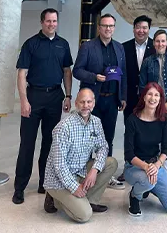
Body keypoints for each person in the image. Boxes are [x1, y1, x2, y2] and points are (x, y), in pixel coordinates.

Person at [13, 8, 73, 205]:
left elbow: (67, 71)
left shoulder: (63, 45)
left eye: (54, 21)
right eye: (48, 21)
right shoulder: (31, 44)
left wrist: (68, 96)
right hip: (34, 96)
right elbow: (22, 74)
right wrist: (24, 101)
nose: (51, 24)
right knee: (27, 144)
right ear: (42, 22)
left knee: (49, 143)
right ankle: (19, 188)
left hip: (55, 96)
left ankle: (43, 182)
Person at [43, 88, 118, 223]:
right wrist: (74, 187)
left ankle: (90, 200)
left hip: (81, 170)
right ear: (76, 104)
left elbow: (103, 147)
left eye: (89, 102)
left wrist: (94, 170)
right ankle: (55, 199)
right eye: (82, 102)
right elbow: (59, 166)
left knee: (111, 163)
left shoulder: (96, 122)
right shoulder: (63, 127)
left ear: (94, 103)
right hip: (58, 179)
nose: (85, 105)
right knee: (84, 215)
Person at [73, 13, 126, 190]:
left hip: (111, 101)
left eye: (111, 26)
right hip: (91, 103)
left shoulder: (119, 48)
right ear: (99, 27)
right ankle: (84, 172)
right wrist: (95, 77)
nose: (108, 29)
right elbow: (77, 71)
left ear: (114, 28)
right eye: (105, 26)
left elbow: (122, 75)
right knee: (88, 139)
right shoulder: (88, 47)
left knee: (107, 139)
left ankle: (106, 175)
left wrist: (122, 97)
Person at [124, 82, 167, 216]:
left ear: (160, 99)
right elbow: (129, 154)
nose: (153, 98)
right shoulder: (132, 119)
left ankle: (148, 187)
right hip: (134, 167)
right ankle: (135, 195)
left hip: (155, 166)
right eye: (149, 94)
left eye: (157, 95)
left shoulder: (163, 118)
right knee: (147, 179)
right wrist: (146, 167)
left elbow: (166, 149)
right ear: (144, 97)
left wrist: (156, 166)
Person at [119, 15, 155, 182]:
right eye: (138, 27)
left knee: (149, 131)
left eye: (145, 28)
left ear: (149, 30)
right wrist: (122, 96)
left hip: (150, 99)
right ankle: (129, 165)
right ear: (133, 29)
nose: (141, 30)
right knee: (130, 131)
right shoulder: (123, 47)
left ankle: (150, 166)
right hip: (130, 98)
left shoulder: (157, 46)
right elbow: (121, 75)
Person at [139, 29, 167, 176]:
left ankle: (165, 173)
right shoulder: (147, 62)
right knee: (152, 140)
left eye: (163, 41)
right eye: (157, 41)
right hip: (151, 107)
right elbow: (142, 85)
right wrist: (151, 103)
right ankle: (152, 170)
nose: (160, 43)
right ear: (154, 43)